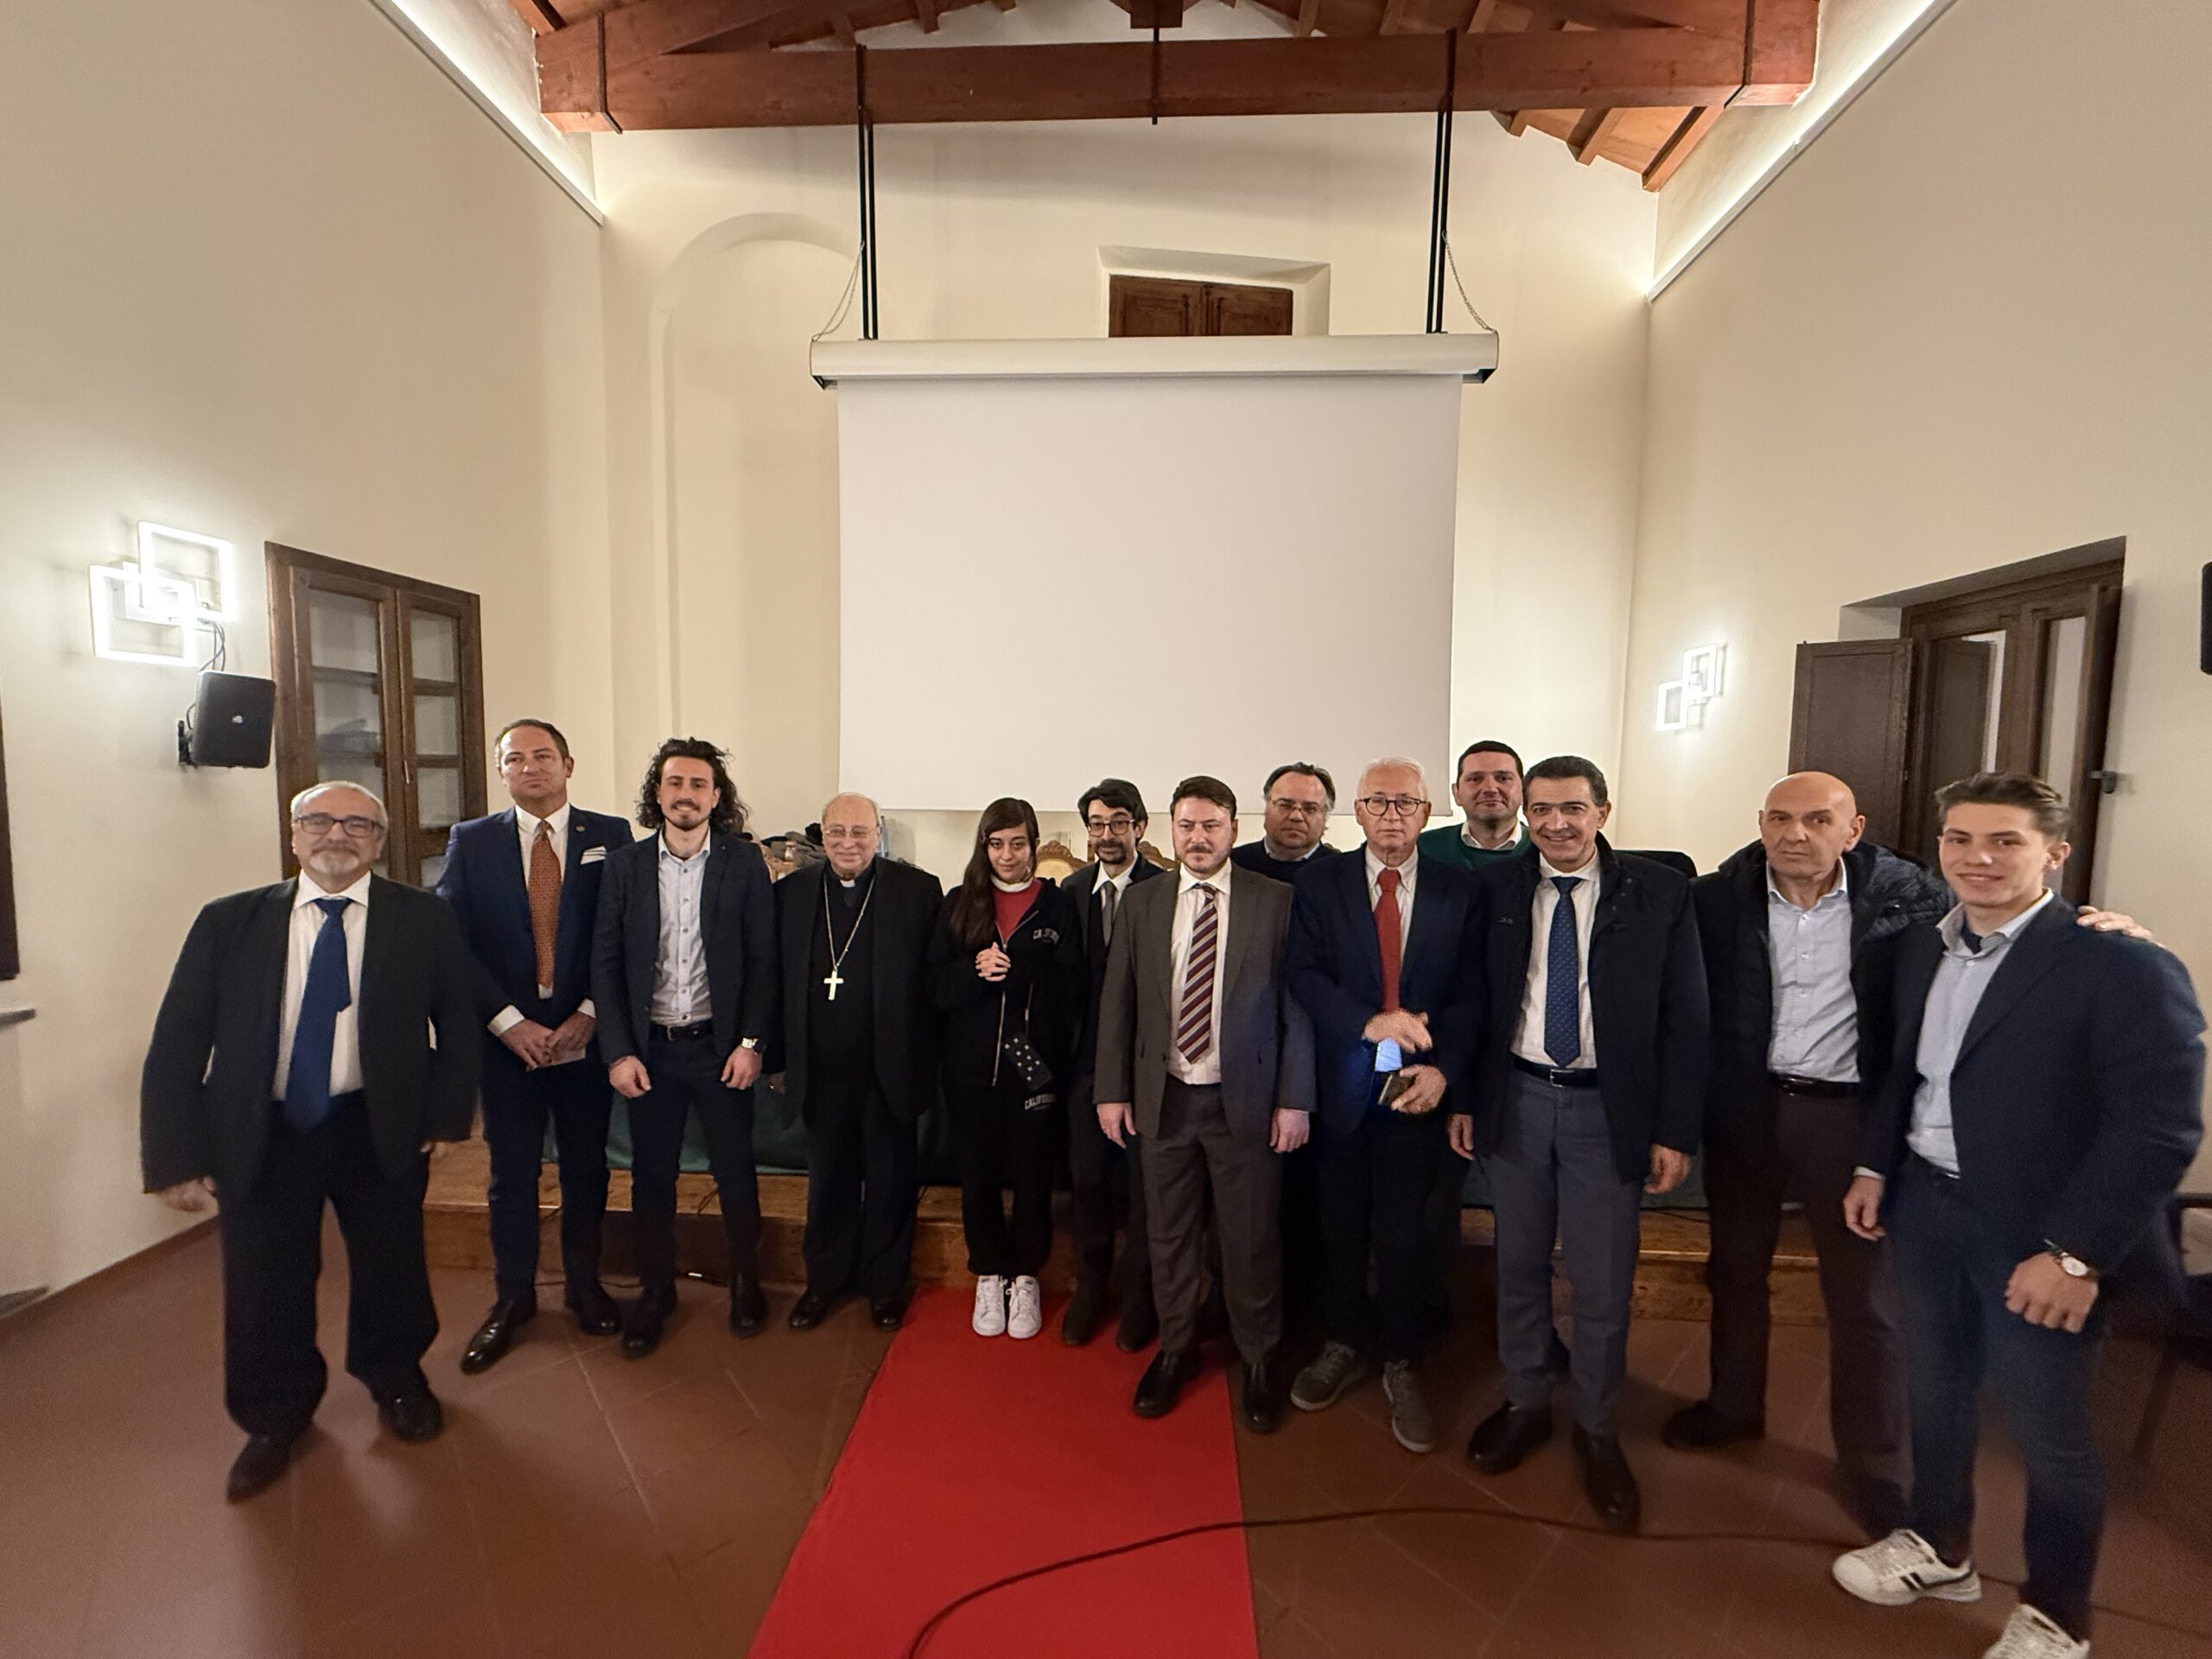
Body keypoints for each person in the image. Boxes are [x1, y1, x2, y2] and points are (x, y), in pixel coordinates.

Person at [1833, 772, 2204, 1659]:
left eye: (2005, 841)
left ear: (2054, 853)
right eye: (1960, 839)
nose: (1978, 859)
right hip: (1927, 1205)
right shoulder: (1923, 947)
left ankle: (2056, 1614)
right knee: (1936, 1391)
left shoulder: (2120, 964)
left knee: (2048, 1431)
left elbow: (2158, 1128)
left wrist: (2075, 1255)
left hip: (2038, 1234)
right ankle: (1939, 1547)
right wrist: (1875, 1166)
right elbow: (1907, 1074)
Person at [141, 784, 481, 1501]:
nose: (338, 835)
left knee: (392, 1265)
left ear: (379, 842)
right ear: (294, 834)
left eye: (358, 824)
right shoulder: (229, 921)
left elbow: (457, 1021)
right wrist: (175, 1156)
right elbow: (179, 1038)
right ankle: (274, 1415)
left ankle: (397, 1379)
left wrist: (448, 1118)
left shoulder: (422, 917)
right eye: (320, 821)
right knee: (263, 1281)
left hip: (377, 1123)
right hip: (264, 1131)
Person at [1452, 755, 1707, 1533]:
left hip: (1609, 1112)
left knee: (1600, 1283)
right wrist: (1466, 1101)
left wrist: (1674, 1129)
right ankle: (1526, 1401)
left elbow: (1687, 1015)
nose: (1556, 823)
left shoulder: (1660, 891)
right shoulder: (1496, 890)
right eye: (1541, 809)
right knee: (1518, 1267)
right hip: (1519, 1101)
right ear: (1525, 814)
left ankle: (1597, 1428)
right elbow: (1473, 1004)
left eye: (1572, 808)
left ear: (1602, 810)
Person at [1092, 776, 1315, 1430]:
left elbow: (1296, 1008)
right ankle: (1177, 1348)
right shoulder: (1143, 902)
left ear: (1234, 830)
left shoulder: (1275, 901)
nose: (1198, 837)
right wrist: (1111, 1090)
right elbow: (1118, 1002)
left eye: (1211, 825)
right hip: (1162, 1099)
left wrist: (1295, 1099)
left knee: (1250, 1240)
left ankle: (1260, 1357)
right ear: (1170, 830)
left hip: (1245, 1101)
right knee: (1167, 1235)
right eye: (1186, 825)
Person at [1285, 758, 1486, 1454]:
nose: (1392, 815)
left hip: (1419, 1088)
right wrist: (1370, 1023)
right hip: (1344, 1085)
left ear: (1428, 813)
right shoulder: (1321, 883)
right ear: (1358, 812)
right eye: (1378, 802)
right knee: (1340, 1226)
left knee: (1407, 1233)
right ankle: (1343, 1341)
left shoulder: (1462, 890)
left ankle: (1403, 1357)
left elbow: (1474, 994)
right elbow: (1303, 974)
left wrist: (1446, 1072)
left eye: (1406, 802)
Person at [436, 718, 635, 1374]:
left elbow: (626, 933)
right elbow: (453, 942)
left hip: (584, 1037)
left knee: (586, 1170)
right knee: (511, 1177)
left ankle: (584, 1285)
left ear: (568, 765)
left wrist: (589, 1014)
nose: (531, 767)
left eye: (543, 755)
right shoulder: (471, 841)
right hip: (508, 1044)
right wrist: (507, 1022)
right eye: (515, 758)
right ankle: (513, 1298)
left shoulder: (610, 835)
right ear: (501, 772)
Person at [589, 738, 775, 1359]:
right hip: (651, 1053)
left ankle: (746, 1282)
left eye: (698, 784)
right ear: (658, 793)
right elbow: (605, 965)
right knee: (652, 1177)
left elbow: (763, 962)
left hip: (720, 1049)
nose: (686, 795)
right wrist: (618, 1052)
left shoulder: (743, 863)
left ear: (716, 797)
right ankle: (655, 1292)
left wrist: (751, 1043)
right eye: (675, 783)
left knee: (736, 1172)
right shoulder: (624, 867)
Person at [771, 792, 943, 1333]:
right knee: (829, 1181)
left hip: (888, 1067)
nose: (848, 843)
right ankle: (825, 1281)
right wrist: (775, 1057)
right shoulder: (793, 893)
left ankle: (886, 1286)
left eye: (860, 832)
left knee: (891, 1180)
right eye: (837, 832)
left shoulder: (917, 890)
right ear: (822, 835)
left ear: (878, 833)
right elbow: (776, 981)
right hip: (821, 1071)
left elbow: (933, 983)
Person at [926, 798, 1084, 1342]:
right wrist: (974, 970)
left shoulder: (1058, 906)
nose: (1008, 854)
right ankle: (989, 1273)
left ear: (1034, 845)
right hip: (969, 1070)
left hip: (1035, 1070)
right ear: (984, 846)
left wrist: (1024, 971)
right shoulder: (959, 903)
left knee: (1034, 1177)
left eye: (1018, 843)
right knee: (978, 1177)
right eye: (997, 844)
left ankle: (1026, 1275)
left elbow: (1074, 989)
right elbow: (935, 988)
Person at [1060, 778, 1166, 1349]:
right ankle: (1091, 1288)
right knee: (1088, 1183)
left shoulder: (1166, 889)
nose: (1107, 834)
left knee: (1147, 1189)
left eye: (1118, 823)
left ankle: (1140, 1296)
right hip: (1084, 1069)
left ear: (1140, 828)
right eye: (1097, 824)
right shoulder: (1071, 890)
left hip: (1148, 1068)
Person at [1416, 741, 1529, 870]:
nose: (1490, 788)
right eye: (1475, 779)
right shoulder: (1423, 849)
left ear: (1525, 791)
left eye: (1503, 778)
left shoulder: (1544, 848)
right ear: (1456, 793)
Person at [1232, 761, 1342, 884]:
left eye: (1310, 808)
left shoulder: (1344, 872)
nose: (1296, 816)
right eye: (1285, 805)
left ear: (1325, 815)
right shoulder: (1233, 864)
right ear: (1266, 807)